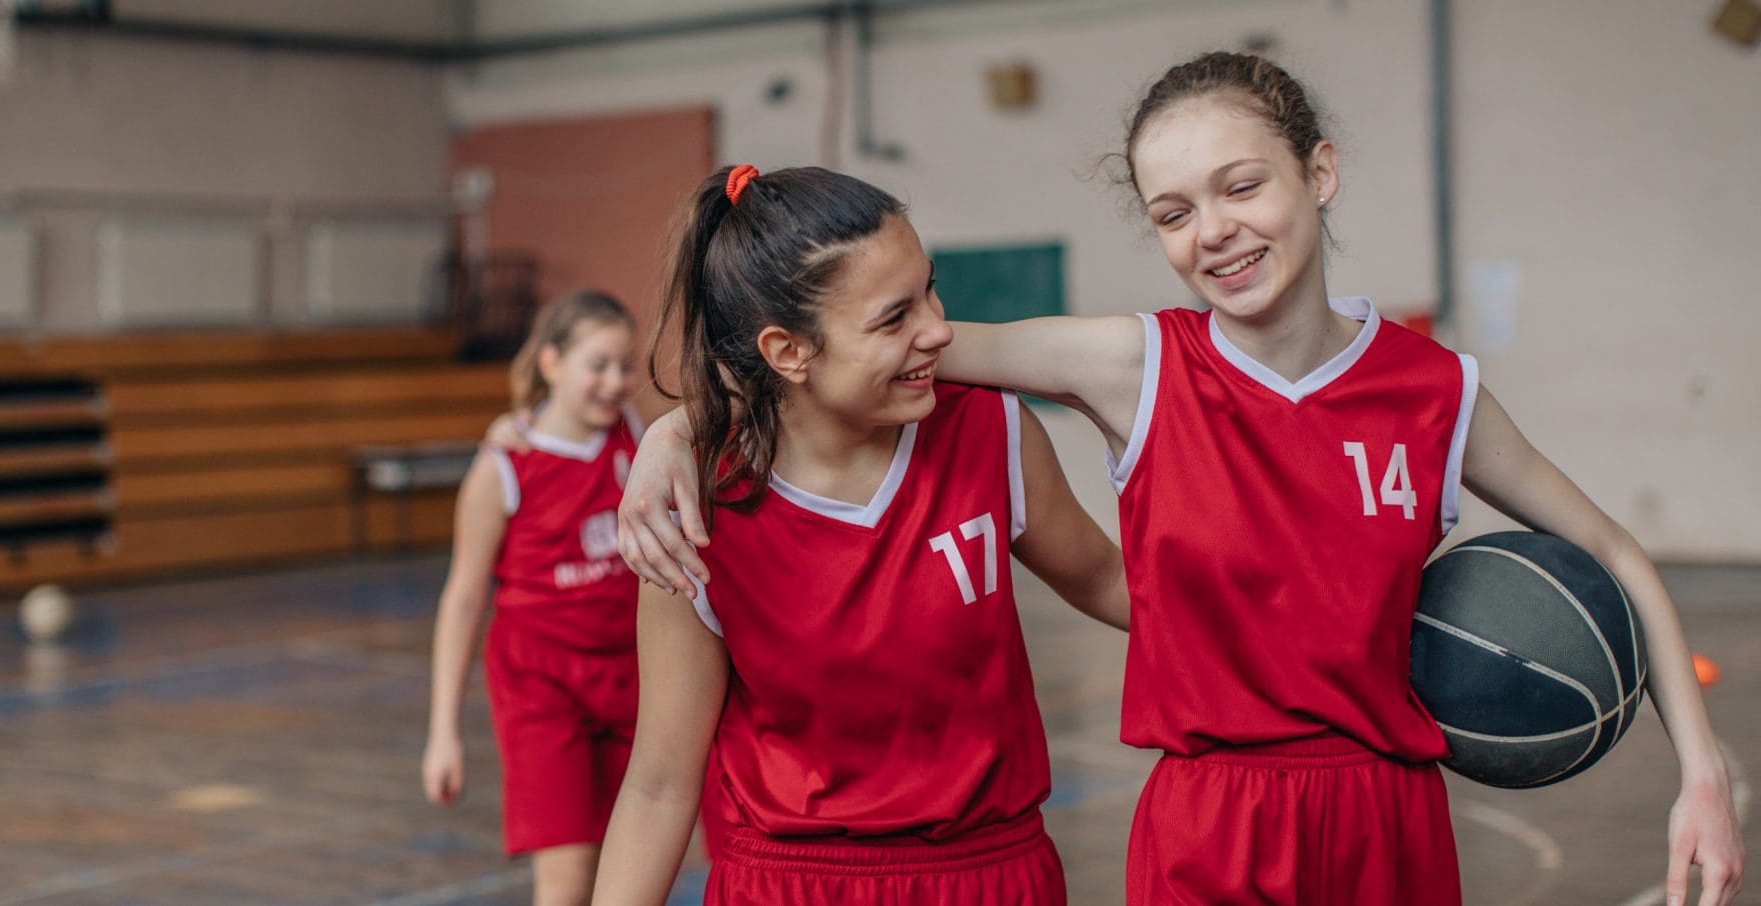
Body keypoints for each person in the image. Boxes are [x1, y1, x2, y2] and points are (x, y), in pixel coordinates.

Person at [612, 52, 1745, 906]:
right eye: (1171, 211)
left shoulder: (1434, 390)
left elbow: (1612, 551)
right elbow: (845, 357)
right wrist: (677, 432)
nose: (1215, 231)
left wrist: (1700, 765)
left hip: (1386, 814)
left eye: (1240, 186)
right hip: (1208, 816)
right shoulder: (1130, 364)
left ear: (1320, 170)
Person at [591, 164, 1131, 905]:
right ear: (788, 352)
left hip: (989, 874)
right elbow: (658, 784)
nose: (939, 328)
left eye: (930, 291)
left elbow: (1106, 579)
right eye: (893, 318)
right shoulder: (699, 514)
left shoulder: (989, 431)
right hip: (792, 884)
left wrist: (1290, 629)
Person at [423, 289, 648, 906]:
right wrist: (444, 732)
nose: (615, 380)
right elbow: (463, 599)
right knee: (568, 879)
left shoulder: (633, 432)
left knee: (629, 873)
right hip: (542, 687)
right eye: (597, 364)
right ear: (551, 362)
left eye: (625, 365)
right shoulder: (503, 468)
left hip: (631, 679)